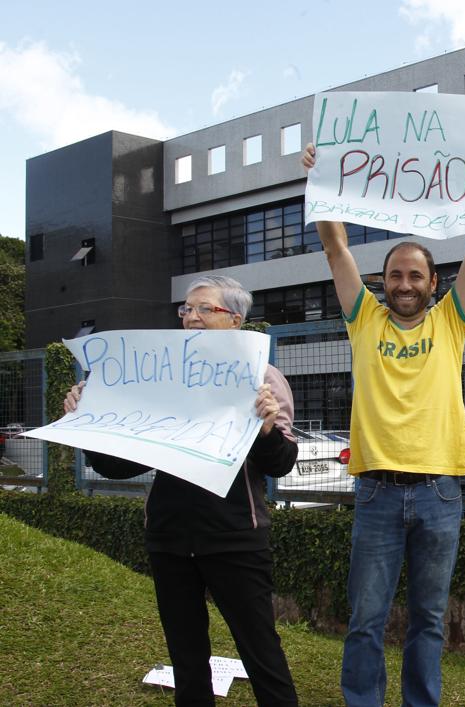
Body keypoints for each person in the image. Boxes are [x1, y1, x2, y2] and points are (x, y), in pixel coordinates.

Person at [302, 142, 465, 707]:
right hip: (376, 493)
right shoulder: (363, 319)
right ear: (384, 281)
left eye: (414, 275)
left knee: (429, 619)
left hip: (440, 493)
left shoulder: (451, 320)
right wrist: (323, 183)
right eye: (395, 274)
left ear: (431, 281)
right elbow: (334, 247)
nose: (403, 283)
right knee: (367, 618)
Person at [62, 275, 299, 707]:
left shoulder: (263, 377)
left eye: (204, 309)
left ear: (235, 320)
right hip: (169, 537)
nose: (191, 317)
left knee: (261, 652)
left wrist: (265, 430)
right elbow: (121, 464)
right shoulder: (163, 378)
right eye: (186, 310)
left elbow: (281, 462)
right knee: (187, 660)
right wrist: (89, 424)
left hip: (234, 538)